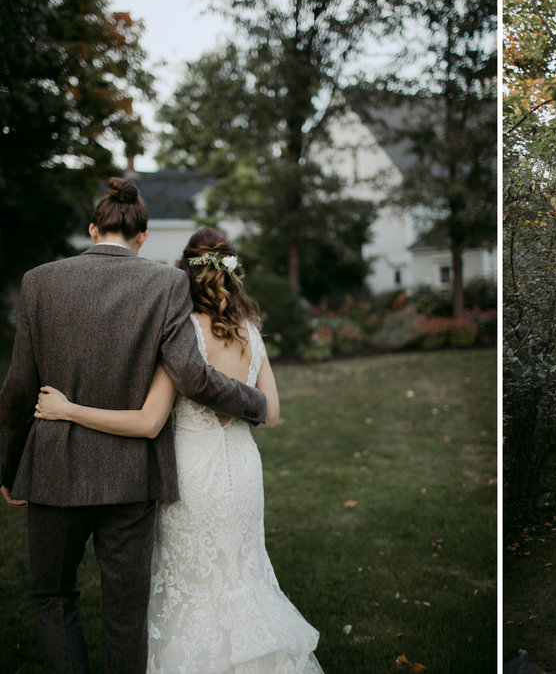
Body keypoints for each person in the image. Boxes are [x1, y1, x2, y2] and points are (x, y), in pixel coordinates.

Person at [0, 179, 266, 672]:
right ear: (142, 237)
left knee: (53, 597)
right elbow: (190, 374)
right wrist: (255, 400)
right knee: (125, 615)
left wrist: (11, 467)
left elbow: (18, 388)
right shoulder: (166, 284)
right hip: (131, 478)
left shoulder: (38, 282)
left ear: (92, 229)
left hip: (55, 470)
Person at [34, 227, 323, 673]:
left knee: (193, 581)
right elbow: (270, 414)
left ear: (185, 273)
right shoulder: (250, 331)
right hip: (243, 470)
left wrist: (70, 409)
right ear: (231, 272)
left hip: (192, 473)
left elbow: (149, 421)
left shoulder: (180, 334)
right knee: (242, 574)